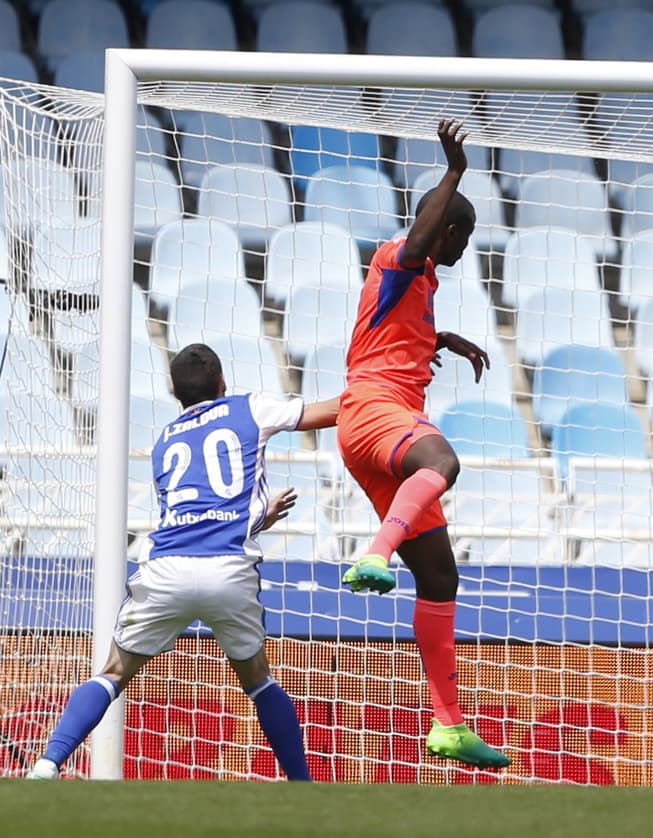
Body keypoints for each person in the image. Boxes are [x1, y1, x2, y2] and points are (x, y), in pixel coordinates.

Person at [27, 343, 339, 780]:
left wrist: (253, 519)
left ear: (174, 391)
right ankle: (305, 785)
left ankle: (47, 763)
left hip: (166, 569)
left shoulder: (165, 441)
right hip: (228, 570)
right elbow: (331, 412)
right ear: (223, 382)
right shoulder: (250, 408)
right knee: (259, 680)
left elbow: (194, 519)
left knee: (114, 673)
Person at [335, 118, 507, 769]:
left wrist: (443, 340)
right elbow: (419, 241)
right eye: (464, 237)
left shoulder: (416, 286)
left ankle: (449, 726)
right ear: (451, 232)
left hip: (370, 437)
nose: (464, 249)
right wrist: (454, 171)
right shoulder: (401, 258)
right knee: (443, 459)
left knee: (439, 576)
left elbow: (392, 333)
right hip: (377, 415)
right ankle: (374, 555)